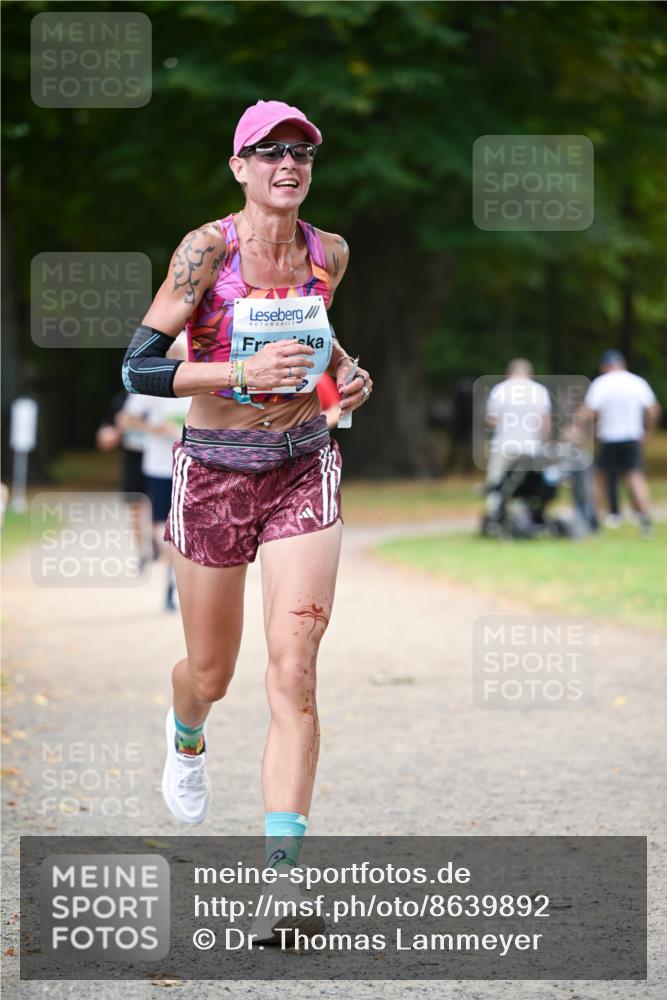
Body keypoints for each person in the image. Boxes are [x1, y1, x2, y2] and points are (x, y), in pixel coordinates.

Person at [120, 100, 373, 941]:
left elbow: (320, 348)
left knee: (294, 666)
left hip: (303, 465)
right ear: (240, 166)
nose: (287, 164)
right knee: (212, 671)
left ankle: (281, 885)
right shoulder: (207, 249)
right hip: (215, 476)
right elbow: (140, 365)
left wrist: (343, 384)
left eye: (300, 152)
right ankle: (185, 730)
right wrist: (239, 370)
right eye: (268, 152)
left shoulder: (326, 252)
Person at [119, 334, 191, 609]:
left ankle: (175, 584)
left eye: (183, 352)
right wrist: (155, 429)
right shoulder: (153, 383)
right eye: (174, 352)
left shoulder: (202, 382)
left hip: (193, 469)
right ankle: (171, 576)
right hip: (161, 468)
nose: (178, 357)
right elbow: (125, 419)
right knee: (164, 531)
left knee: (185, 530)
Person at [577, 350, 661, 536]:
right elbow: (653, 410)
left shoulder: (602, 383)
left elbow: (587, 411)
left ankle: (594, 523)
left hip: (608, 438)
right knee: (635, 477)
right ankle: (645, 522)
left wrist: (577, 428)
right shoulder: (637, 382)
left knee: (599, 479)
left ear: (605, 366)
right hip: (631, 437)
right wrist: (648, 432)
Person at [484, 358, 551, 516]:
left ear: (509, 373)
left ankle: (495, 512)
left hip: (504, 443)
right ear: (530, 373)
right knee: (526, 481)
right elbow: (545, 422)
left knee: (497, 478)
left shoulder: (500, 390)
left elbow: (492, 420)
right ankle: (524, 512)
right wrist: (544, 444)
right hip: (529, 446)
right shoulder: (539, 391)